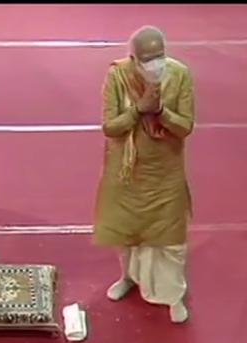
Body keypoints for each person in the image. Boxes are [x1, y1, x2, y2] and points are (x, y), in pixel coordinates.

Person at [94, 26, 195, 324]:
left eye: (160, 56)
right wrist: (138, 110)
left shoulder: (180, 75)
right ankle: (128, 277)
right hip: (127, 170)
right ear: (134, 59)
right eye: (148, 58)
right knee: (128, 232)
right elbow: (110, 127)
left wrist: (161, 110)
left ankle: (173, 294)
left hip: (166, 171)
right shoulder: (118, 76)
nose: (156, 64)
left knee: (170, 240)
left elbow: (185, 127)